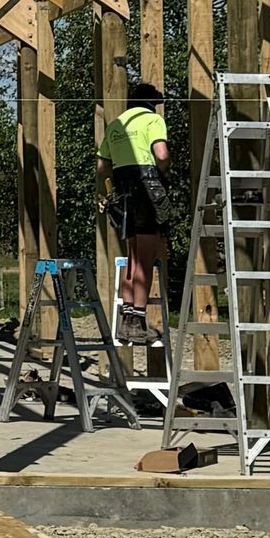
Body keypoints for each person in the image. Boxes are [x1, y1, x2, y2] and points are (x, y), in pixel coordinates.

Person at [96, 79, 173, 346]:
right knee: (146, 257)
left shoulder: (116, 124)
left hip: (122, 188)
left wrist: (112, 186)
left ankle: (126, 321)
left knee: (130, 256)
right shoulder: (152, 120)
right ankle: (138, 321)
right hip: (146, 188)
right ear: (151, 104)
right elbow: (161, 155)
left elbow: (101, 167)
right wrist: (162, 174)